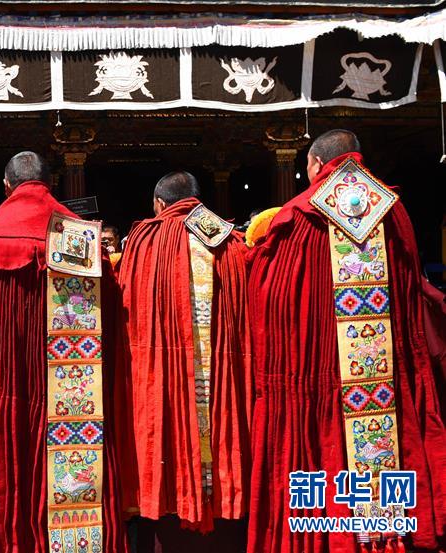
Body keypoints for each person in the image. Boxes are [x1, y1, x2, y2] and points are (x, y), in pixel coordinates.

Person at [247, 130, 446, 552]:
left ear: (317, 165)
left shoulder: (298, 215)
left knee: (328, 447)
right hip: (381, 369)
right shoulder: (391, 210)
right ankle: (384, 531)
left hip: (318, 362)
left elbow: (273, 296)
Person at [0, 151, 127, 553]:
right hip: (72, 392)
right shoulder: (80, 236)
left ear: (6, 186)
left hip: (2, 383)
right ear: (52, 184)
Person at [116, 171, 251, 551]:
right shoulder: (230, 242)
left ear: (159, 204)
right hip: (219, 391)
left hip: (162, 388)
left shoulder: (143, 242)